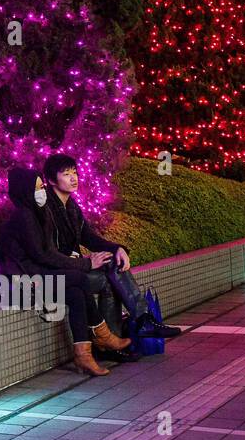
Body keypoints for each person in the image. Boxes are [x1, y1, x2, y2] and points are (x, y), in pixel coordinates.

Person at [42, 153, 181, 361]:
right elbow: (48, 253)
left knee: (112, 264)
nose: (74, 178)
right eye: (66, 174)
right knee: (109, 276)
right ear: (52, 180)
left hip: (75, 270)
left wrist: (117, 248)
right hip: (59, 276)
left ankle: (126, 332)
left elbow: (88, 237)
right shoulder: (45, 209)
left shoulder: (71, 206)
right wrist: (87, 262)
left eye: (75, 173)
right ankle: (132, 327)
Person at [0, 167, 129, 376]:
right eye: (38, 187)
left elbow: (48, 253)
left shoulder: (37, 213)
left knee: (75, 294)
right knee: (79, 278)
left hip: (35, 277)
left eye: (42, 186)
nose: (42, 191)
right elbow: (42, 255)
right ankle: (101, 335)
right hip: (15, 283)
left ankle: (83, 355)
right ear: (25, 190)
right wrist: (85, 264)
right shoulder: (23, 216)